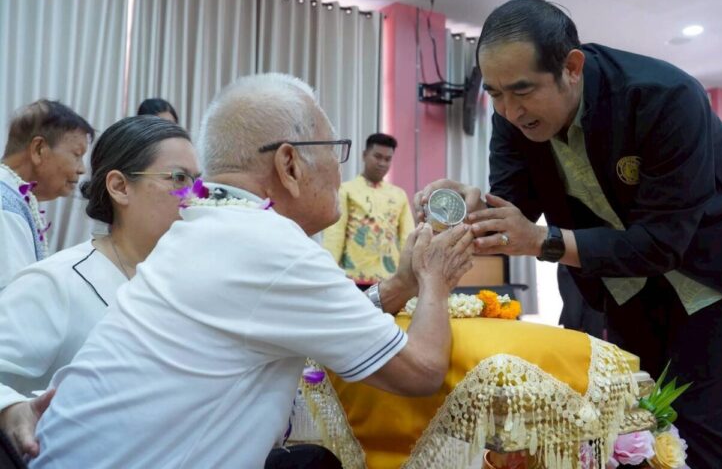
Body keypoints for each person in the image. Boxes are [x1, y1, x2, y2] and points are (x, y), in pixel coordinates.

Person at [31, 73, 474, 469]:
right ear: (289, 164)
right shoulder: (272, 245)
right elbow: (421, 371)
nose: (338, 173)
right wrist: (435, 280)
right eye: (333, 151)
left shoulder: (203, 227)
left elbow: (304, 316)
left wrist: (403, 283)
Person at [415, 0, 722, 468]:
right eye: (495, 94)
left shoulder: (663, 97)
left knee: (693, 423)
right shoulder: (512, 115)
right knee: (626, 412)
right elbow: (516, 203)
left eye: (522, 91)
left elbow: (662, 242)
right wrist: (474, 207)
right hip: (623, 276)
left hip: (711, 266)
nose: (510, 110)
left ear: (572, 67)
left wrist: (543, 240)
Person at [0, 116, 198, 459]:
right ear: (120, 187)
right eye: (179, 179)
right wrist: (11, 410)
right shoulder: (57, 282)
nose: (195, 197)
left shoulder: (180, 282)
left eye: (198, 182)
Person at [0, 100, 93, 290]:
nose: (82, 169)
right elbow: (13, 296)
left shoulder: (13, 197)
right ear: (39, 150)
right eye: (77, 155)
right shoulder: (4, 206)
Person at [323, 133, 414, 289]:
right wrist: (328, 274)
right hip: (353, 278)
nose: (382, 163)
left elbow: (408, 237)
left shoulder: (399, 195)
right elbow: (335, 234)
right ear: (364, 155)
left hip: (390, 279)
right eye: (377, 157)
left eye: (387, 159)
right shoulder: (346, 190)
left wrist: (409, 274)